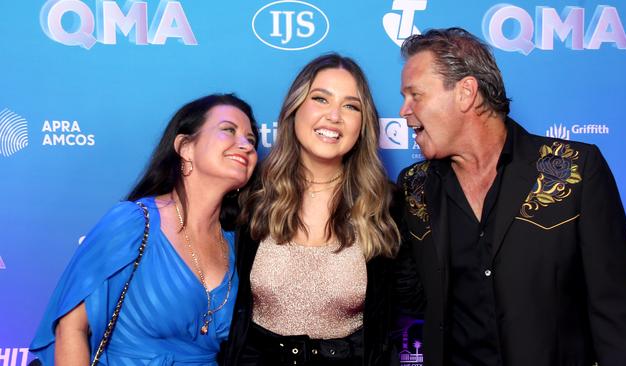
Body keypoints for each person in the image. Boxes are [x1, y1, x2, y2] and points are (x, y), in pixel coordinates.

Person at [394, 27, 626, 366]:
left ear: (466, 92)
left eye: (415, 95)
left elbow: (617, 319)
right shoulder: (415, 186)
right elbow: (406, 294)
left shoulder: (574, 170)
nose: (403, 110)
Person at [30, 94, 259, 365]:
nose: (245, 145)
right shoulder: (134, 222)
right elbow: (72, 328)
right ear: (185, 147)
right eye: (228, 130)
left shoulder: (238, 245)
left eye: (251, 140)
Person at [223, 53, 400, 366]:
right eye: (320, 98)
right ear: (295, 109)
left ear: (363, 124)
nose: (334, 116)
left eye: (351, 106)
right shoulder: (250, 194)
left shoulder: (386, 204)